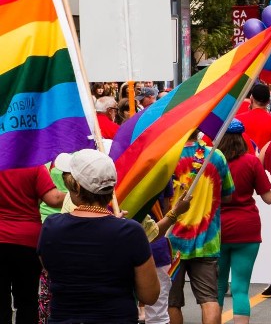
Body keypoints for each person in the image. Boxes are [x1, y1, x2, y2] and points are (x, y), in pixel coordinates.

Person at [37, 149, 160, 323]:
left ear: (77, 187)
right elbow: (149, 295)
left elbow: (51, 268)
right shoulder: (130, 233)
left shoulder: (52, 227)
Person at [168, 130, 235, 324]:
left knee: (171, 302)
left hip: (171, 242)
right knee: (209, 299)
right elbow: (228, 194)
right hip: (207, 240)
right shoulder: (216, 155)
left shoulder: (168, 157)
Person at [217, 121, 271, 324]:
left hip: (219, 229)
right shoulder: (251, 162)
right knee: (241, 287)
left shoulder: (214, 161)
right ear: (242, 138)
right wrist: (270, 183)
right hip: (247, 228)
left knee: (218, 287)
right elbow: (268, 198)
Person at [0, 163, 63, 324]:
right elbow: (53, 199)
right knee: (27, 300)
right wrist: (80, 194)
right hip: (27, 243)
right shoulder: (34, 165)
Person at [236, 84, 271, 152]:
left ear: (251, 98)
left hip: (243, 160)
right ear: (268, 101)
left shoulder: (237, 120)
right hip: (265, 161)